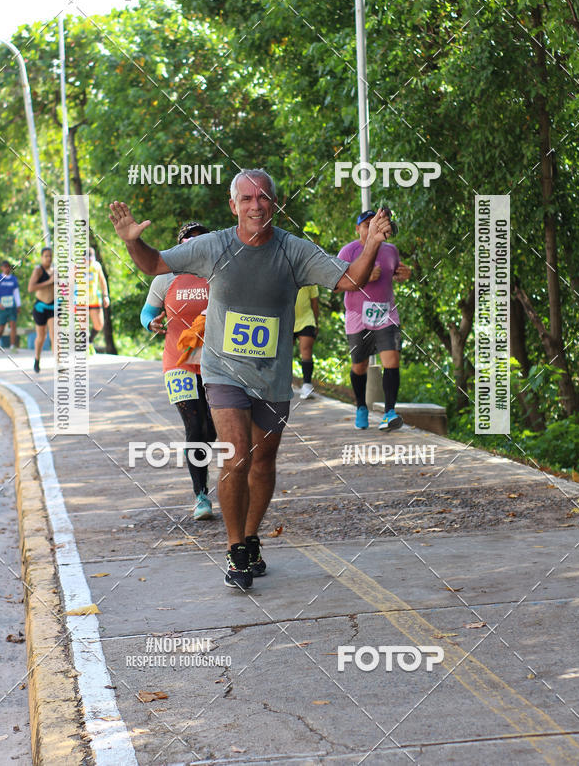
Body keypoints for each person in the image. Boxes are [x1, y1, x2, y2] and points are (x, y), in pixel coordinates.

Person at [109, 170, 392, 590]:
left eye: (262, 197)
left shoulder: (293, 251)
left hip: (272, 378)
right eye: (246, 198)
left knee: (263, 461)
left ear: (274, 203)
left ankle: (252, 535)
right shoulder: (214, 246)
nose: (255, 205)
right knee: (237, 454)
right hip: (222, 372)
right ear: (233, 205)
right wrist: (133, 240)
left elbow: (349, 279)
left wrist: (370, 245)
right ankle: (235, 547)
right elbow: (154, 263)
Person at [140, 222, 216, 521]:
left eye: (201, 238)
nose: (195, 242)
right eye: (189, 238)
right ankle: (201, 496)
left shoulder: (219, 272)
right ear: (180, 243)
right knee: (194, 428)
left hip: (215, 363)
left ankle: (201, 463)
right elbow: (148, 311)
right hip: (178, 362)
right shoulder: (165, 276)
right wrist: (151, 322)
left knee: (212, 429)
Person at [339, 210, 411, 432]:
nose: (371, 227)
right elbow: (335, 283)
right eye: (366, 224)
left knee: (392, 360)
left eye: (375, 223)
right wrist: (361, 277)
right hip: (357, 315)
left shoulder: (390, 250)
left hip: (385, 313)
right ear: (357, 228)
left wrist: (404, 274)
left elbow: (396, 272)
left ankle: (389, 412)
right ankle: (361, 407)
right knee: (359, 365)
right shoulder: (348, 251)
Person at [28, 247, 55, 373]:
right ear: (41, 257)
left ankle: (59, 364)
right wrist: (49, 282)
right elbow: (31, 288)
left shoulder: (55, 271)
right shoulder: (38, 270)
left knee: (55, 335)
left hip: (53, 307)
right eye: (46, 256)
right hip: (40, 307)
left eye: (50, 256)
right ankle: (37, 359)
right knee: (41, 337)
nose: (48, 258)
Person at [293, 285, 319, 399]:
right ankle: (283, 383)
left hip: (306, 319)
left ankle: (307, 385)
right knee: (284, 352)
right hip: (287, 318)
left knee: (306, 349)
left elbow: (314, 302)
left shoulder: (310, 278)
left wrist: (316, 322)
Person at [0, 261, 20, 350]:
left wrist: (18, 305)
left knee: (13, 325)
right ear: (1, 268)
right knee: (2, 326)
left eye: (8, 267)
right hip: (2, 306)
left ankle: (12, 346)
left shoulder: (14, 279)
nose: (7, 268)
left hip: (11, 306)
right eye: (5, 267)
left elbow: (16, 293)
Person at [85, 248, 110, 347]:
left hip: (94, 299)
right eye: (87, 258)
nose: (90, 260)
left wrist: (106, 296)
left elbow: (103, 281)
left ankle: (89, 340)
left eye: (91, 258)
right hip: (80, 301)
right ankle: (82, 347)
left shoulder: (96, 266)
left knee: (99, 325)